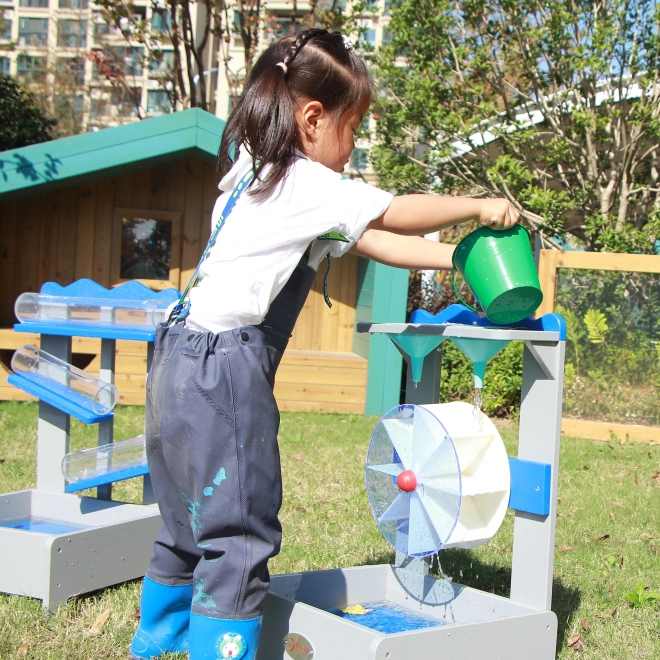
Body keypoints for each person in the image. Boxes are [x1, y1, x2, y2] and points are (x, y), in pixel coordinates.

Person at [130, 28, 520, 660]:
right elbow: (393, 215)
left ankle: (158, 640)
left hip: (174, 356)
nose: (355, 143)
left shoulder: (255, 169)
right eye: (354, 126)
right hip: (221, 368)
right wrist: (476, 208)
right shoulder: (308, 182)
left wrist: (460, 257)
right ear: (313, 118)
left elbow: (378, 243)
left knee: (188, 519)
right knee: (239, 533)